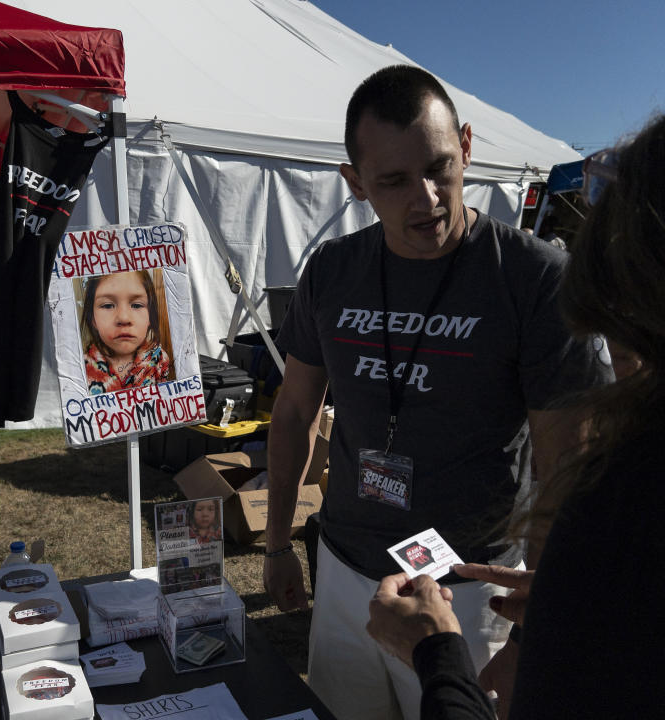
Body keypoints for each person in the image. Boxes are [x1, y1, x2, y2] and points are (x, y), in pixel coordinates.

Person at [262, 64, 612, 720]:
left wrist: (534, 623)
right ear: (355, 182)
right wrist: (278, 543)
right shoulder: (335, 270)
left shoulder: (535, 279)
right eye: (393, 181)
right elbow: (293, 411)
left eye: (440, 168)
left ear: (469, 146)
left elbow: (566, 465)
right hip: (344, 568)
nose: (425, 199)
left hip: (471, 590)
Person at [366, 113, 665, 719]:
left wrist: (441, 657)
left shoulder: (630, 495)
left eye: (627, 343)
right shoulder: (627, 498)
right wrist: (571, 603)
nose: (618, 371)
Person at [81, 270, 171, 394]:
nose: (124, 318)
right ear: (93, 320)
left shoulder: (159, 358)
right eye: (107, 305)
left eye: (137, 305)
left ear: (150, 316)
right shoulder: (79, 369)